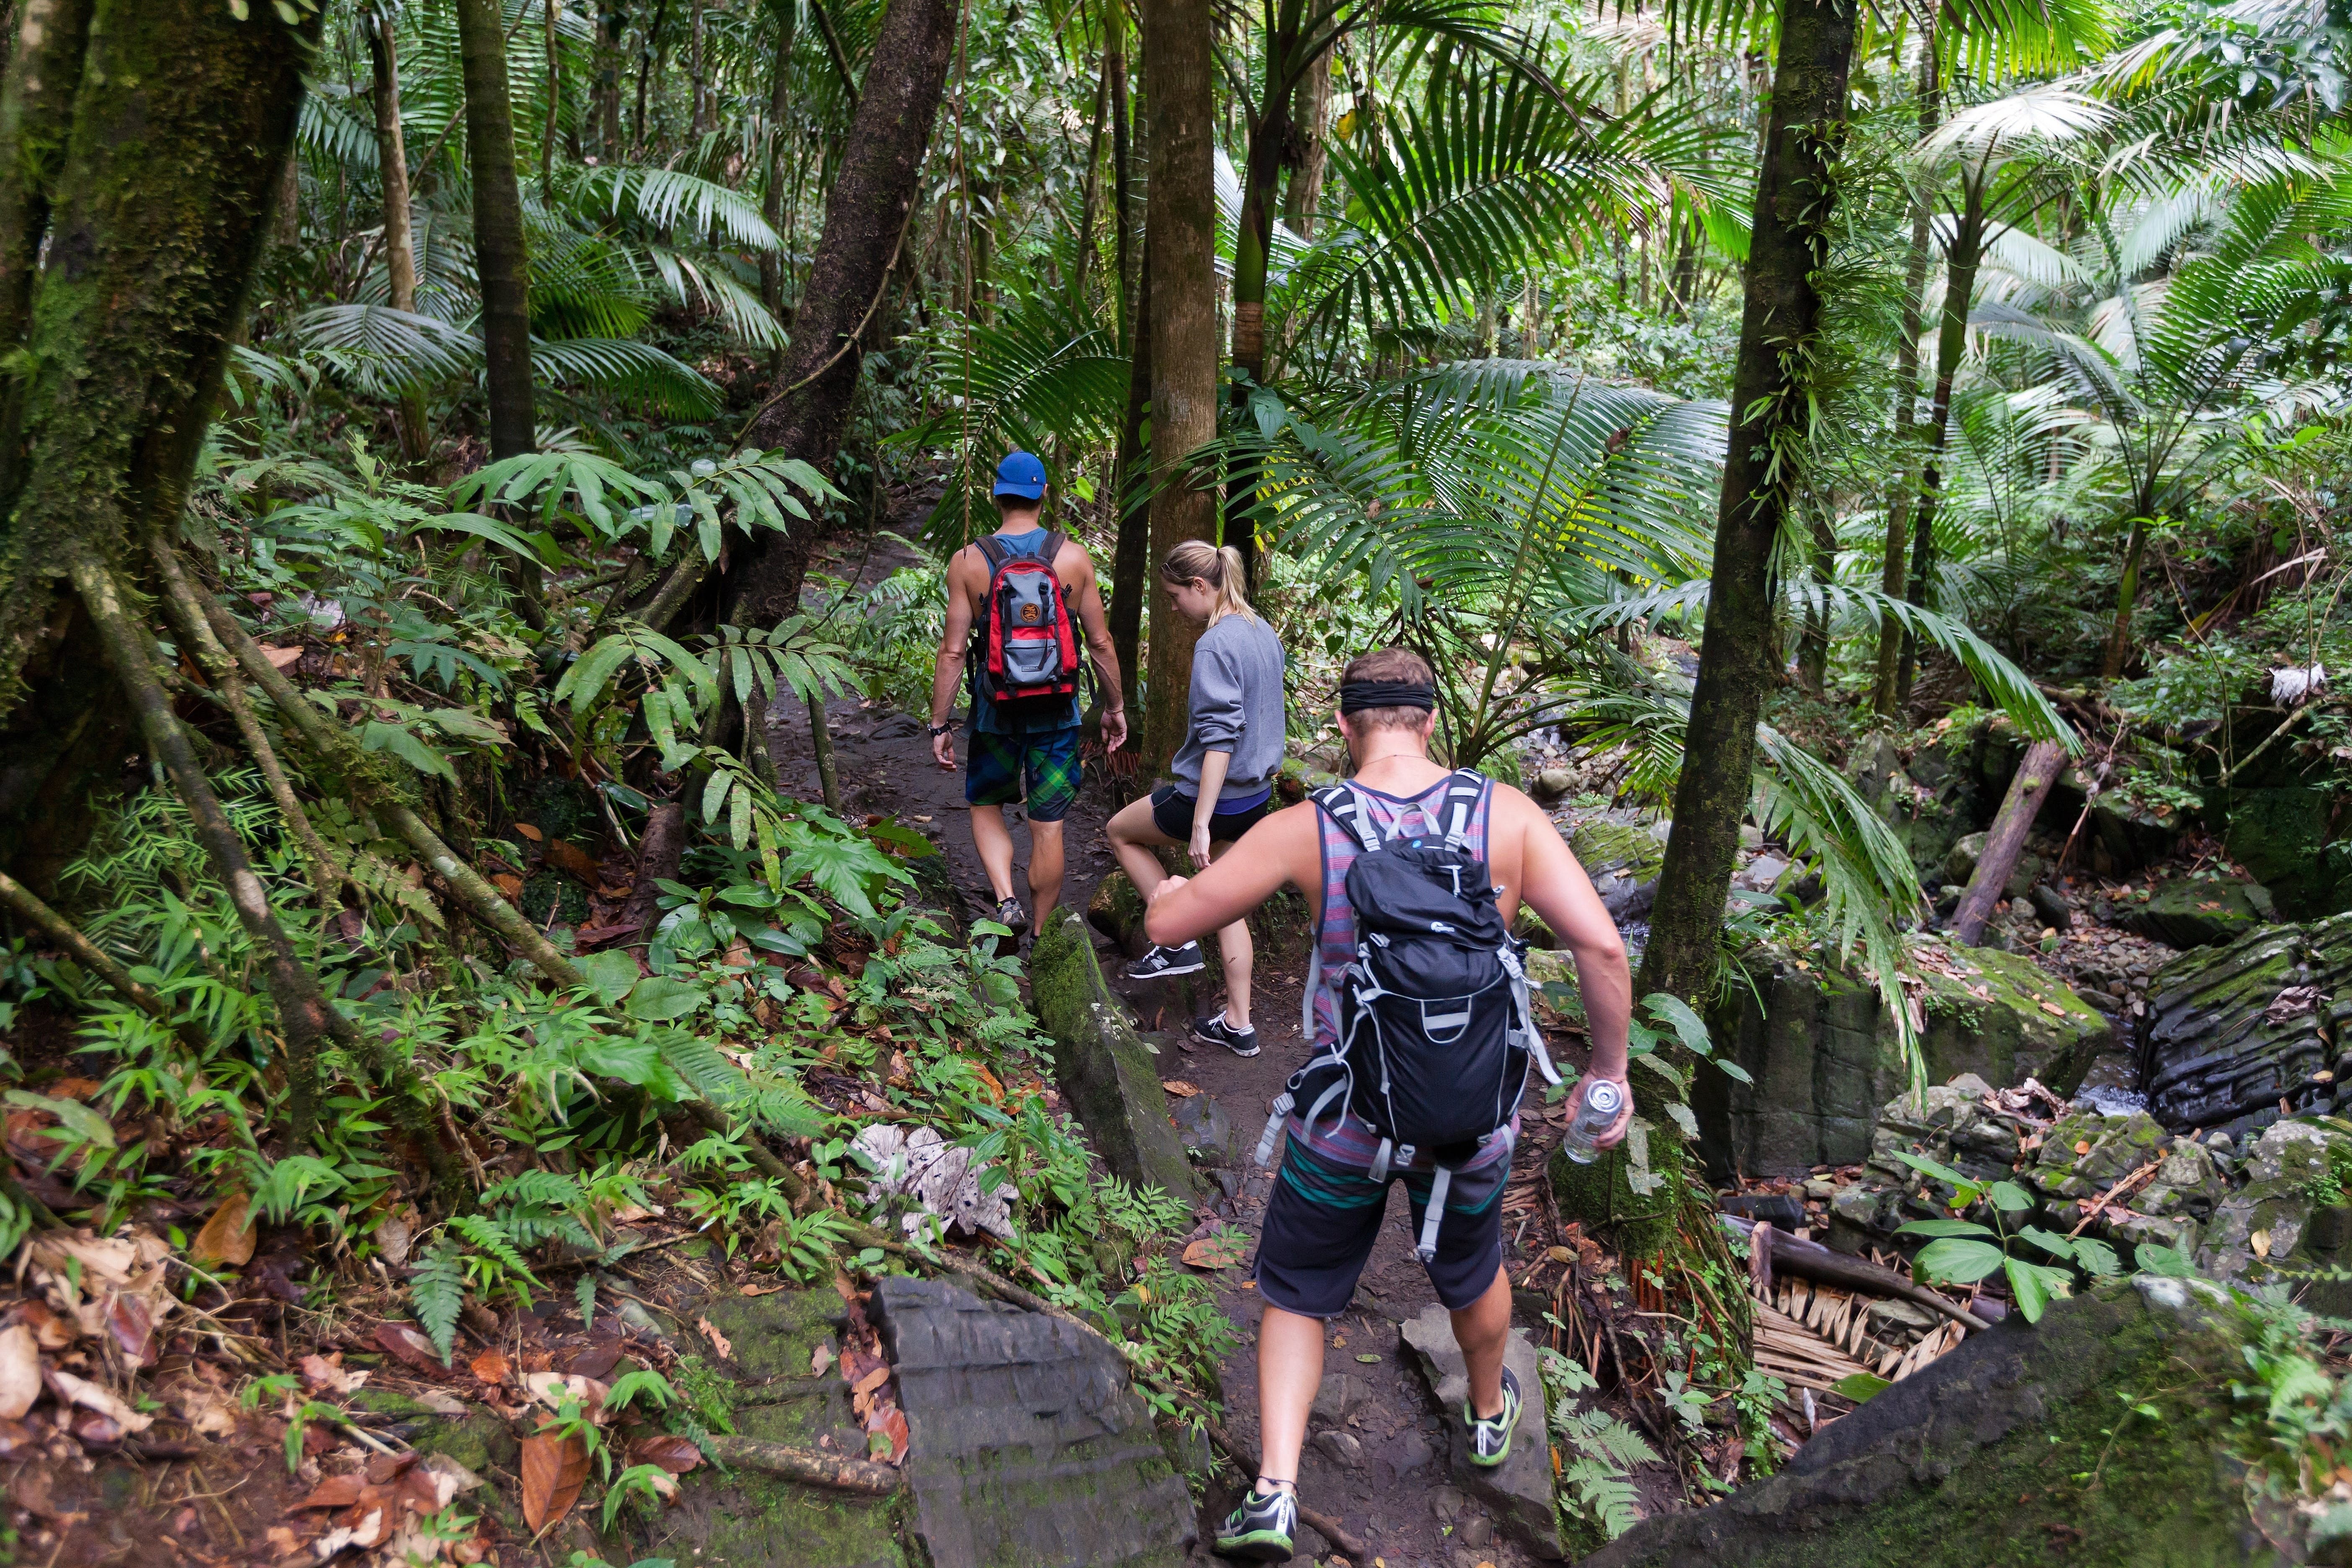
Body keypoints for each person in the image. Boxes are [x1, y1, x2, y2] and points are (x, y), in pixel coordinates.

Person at [1141, 647, 1632, 1563]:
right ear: (1432, 721)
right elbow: (1603, 950)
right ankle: (1489, 1416)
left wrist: (1169, 892)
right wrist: (1612, 1069)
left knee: (1298, 1291)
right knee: (1470, 1265)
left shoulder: (1307, 826)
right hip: (1473, 1116)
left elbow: (1169, 925)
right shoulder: (1508, 816)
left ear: (1343, 726)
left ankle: (1277, 1493)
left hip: (1345, 1116)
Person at [928, 451, 1126, 936]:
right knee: (1049, 825)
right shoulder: (1073, 557)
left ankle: (1006, 899)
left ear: (997, 495)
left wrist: (940, 723)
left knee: (986, 804)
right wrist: (1115, 706)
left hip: (996, 711)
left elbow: (954, 652)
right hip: (1057, 712)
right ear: (1043, 496)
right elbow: (1099, 642)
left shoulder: (969, 561)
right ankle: (1040, 935)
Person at [1107, 540, 1286, 1056]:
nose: (1172, 607)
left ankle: (1178, 937)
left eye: (1173, 596)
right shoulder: (1261, 630)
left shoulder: (1214, 644)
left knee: (1121, 831)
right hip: (1256, 798)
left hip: (1219, 799)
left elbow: (1219, 740)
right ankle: (1239, 1023)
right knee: (1228, 904)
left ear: (1200, 587)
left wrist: (1202, 821)